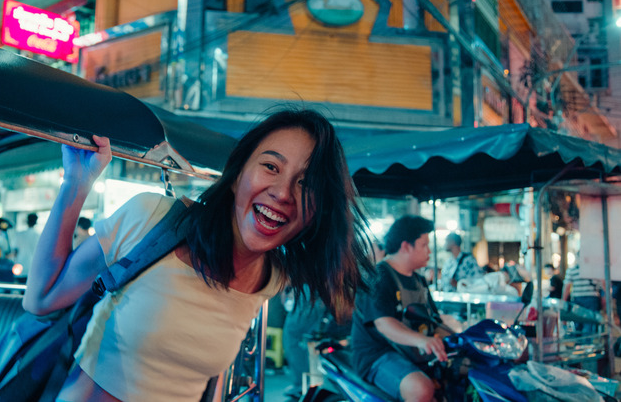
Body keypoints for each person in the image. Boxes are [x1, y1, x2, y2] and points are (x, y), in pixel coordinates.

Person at [23, 109, 373, 401]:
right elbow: (41, 297)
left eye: (305, 182)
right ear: (237, 176)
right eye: (270, 166)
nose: (283, 192)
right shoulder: (150, 219)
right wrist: (76, 182)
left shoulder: (273, 279)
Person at [352, 215, 448, 402]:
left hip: (412, 353)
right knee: (420, 389)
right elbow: (384, 323)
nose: (429, 251)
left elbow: (434, 321)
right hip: (377, 355)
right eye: (424, 245)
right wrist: (422, 340)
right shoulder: (379, 277)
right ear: (406, 246)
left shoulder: (418, 280)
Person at [563, 257, 604, 335]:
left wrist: (563, 302)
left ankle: (580, 344)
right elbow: (602, 287)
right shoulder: (595, 270)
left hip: (579, 299)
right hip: (591, 299)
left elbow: (567, 288)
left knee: (579, 324)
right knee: (589, 324)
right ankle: (586, 344)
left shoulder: (572, 270)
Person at [12, 212, 40, 283]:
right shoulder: (38, 236)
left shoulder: (19, 235)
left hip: (20, 266)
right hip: (33, 268)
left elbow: (15, 251)